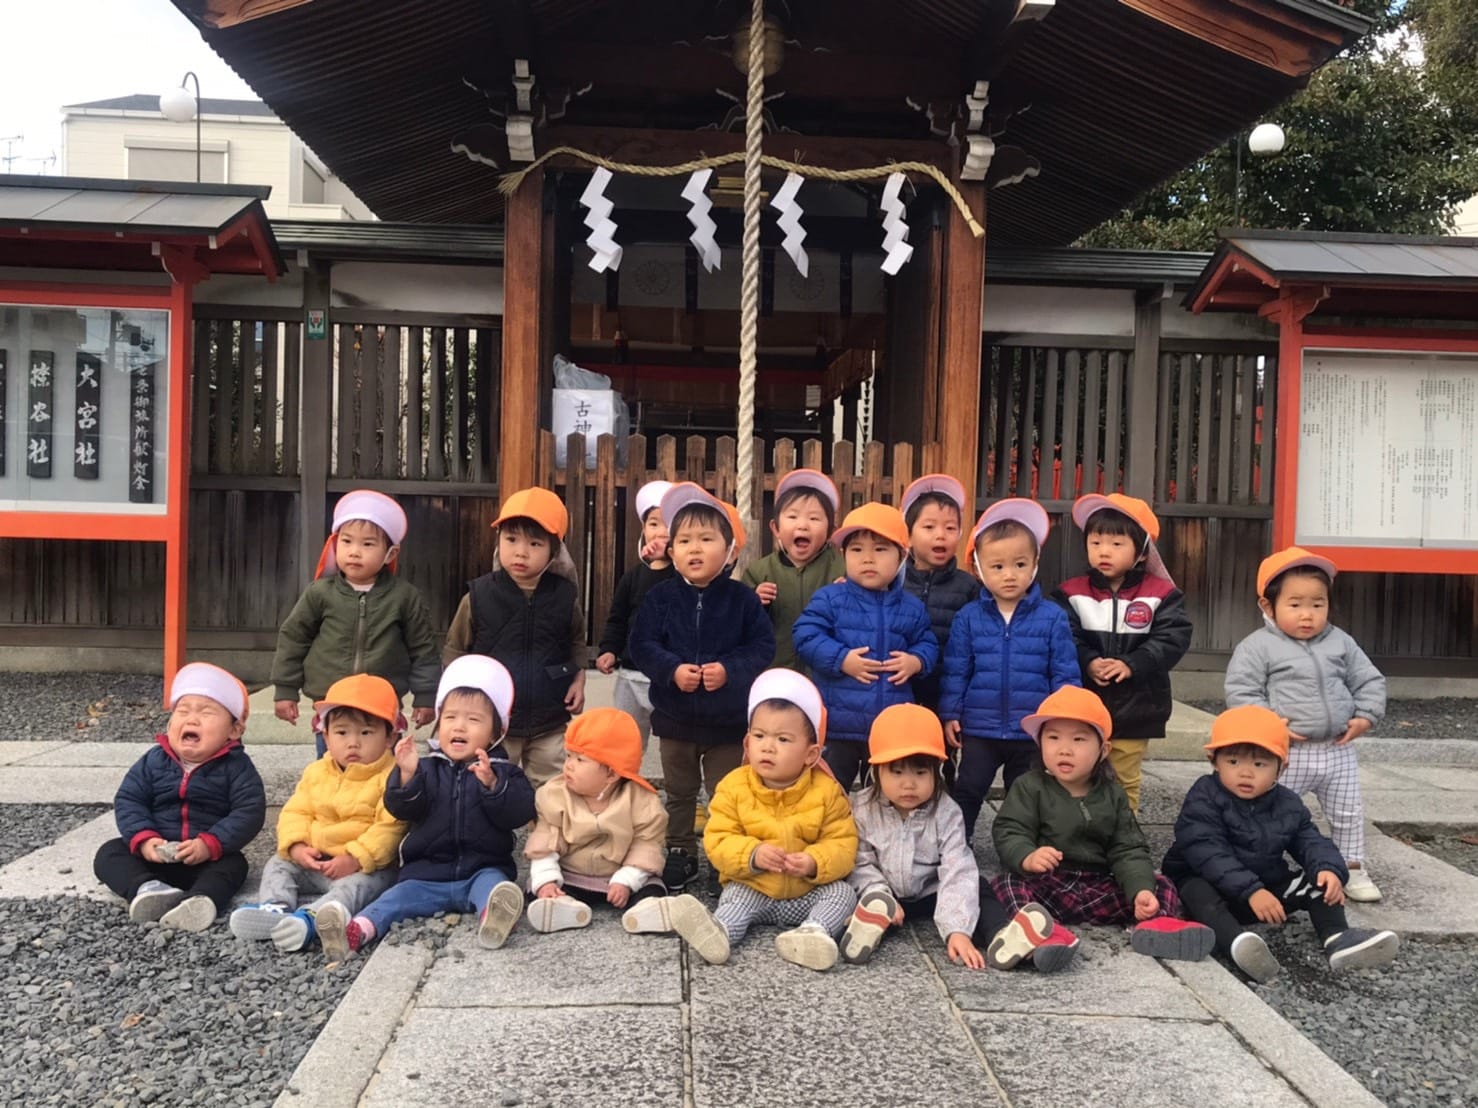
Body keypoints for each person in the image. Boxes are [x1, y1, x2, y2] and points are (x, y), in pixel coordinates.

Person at [624, 670, 859, 970]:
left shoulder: (827, 791)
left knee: (843, 893)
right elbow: (718, 839)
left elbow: (843, 842)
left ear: (811, 754)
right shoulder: (734, 787)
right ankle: (719, 933)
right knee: (734, 897)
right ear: (747, 743)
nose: (768, 746)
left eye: (783, 739)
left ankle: (812, 933)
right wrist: (753, 855)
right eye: (759, 736)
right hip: (755, 886)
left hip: (807, 891)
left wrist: (814, 861)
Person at [314, 655, 536, 959]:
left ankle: (494, 919)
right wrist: (406, 775)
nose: (460, 726)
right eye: (450, 718)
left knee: (495, 887)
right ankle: (356, 932)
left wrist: (492, 786)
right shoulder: (427, 768)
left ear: (496, 733)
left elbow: (520, 812)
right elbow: (402, 810)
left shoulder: (504, 771)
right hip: (426, 873)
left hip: (481, 867)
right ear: (439, 724)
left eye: (474, 720)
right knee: (393, 899)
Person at [1163, 705, 1399, 981]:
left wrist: (1328, 869)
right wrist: (1251, 890)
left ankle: (1337, 937)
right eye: (1233, 762)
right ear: (1214, 760)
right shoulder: (1204, 795)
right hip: (1213, 886)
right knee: (1195, 889)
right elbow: (1206, 850)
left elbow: (1309, 839)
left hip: (1265, 889)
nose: (1246, 773)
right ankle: (1237, 944)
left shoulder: (1287, 803)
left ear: (1281, 767)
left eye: (1260, 764)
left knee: (1318, 882)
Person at [840, 703, 1078, 973]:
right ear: (876, 770)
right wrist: (877, 893)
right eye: (897, 772)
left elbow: (956, 868)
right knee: (846, 890)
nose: (909, 783)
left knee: (976, 885)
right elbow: (859, 861)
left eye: (920, 773)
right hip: (884, 893)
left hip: (932, 891)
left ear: (938, 772)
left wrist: (957, 930)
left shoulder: (947, 811)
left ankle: (1002, 936)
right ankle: (868, 923)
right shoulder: (860, 808)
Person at [991, 686, 1215, 961]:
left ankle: (1155, 926)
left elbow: (1128, 848)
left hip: (1099, 887)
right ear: (1040, 743)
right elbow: (1010, 829)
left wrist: (1140, 891)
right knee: (1007, 884)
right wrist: (1027, 856)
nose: (1064, 749)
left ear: (1103, 749)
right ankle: (1044, 936)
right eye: (1053, 737)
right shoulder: (1030, 787)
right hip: (1050, 886)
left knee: (1161, 883)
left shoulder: (1112, 794)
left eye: (1078, 739)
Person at [629, 482, 776, 892]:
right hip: (675, 719)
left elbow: (762, 647)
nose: (695, 548)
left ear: (730, 550)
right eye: (685, 540)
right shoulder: (659, 599)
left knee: (726, 794)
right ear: (671, 551)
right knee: (678, 791)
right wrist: (671, 670)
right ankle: (680, 851)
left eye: (707, 539)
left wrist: (729, 670)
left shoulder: (742, 600)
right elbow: (641, 645)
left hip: (727, 722)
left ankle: (723, 856)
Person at [1225, 547, 1387, 902]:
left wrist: (1365, 715)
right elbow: (1241, 691)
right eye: (1295, 604)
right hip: (1285, 752)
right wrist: (1269, 726)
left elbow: (1369, 680)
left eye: (1318, 604)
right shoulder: (1257, 647)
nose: (1308, 615)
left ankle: (1352, 867)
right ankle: (1253, 865)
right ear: (1268, 606)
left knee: (1347, 811)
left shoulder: (1340, 642)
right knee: (1266, 810)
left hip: (1337, 747)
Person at [229, 674, 408, 952]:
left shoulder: (392, 776)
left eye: (366, 733)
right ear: (325, 736)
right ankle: (275, 906)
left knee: (362, 887)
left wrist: (355, 857)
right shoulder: (317, 771)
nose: (353, 743)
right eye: (341, 732)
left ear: (389, 738)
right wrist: (297, 846)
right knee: (278, 864)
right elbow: (296, 811)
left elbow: (390, 827)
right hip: (315, 860)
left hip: (361, 866)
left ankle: (315, 917)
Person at [939, 498, 1080, 841]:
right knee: (970, 787)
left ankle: (1021, 848)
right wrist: (950, 713)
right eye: (998, 566)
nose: (1009, 575)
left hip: (1029, 729)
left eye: (1019, 564)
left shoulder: (1052, 618)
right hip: (980, 727)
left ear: (1034, 565)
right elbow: (956, 670)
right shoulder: (969, 618)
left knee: (1026, 794)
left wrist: (1063, 717)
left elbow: (1064, 671)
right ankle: (958, 843)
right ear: (978, 567)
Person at [94, 663, 266, 932]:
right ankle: (147, 889)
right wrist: (144, 839)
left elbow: (249, 811)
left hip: (206, 857)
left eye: (207, 713)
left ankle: (199, 901)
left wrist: (210, 843)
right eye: (182, 711)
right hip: (155, 855)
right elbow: (130, 799)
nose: (192, 720)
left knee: (235, 865)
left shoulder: (237, 767)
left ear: (234, 730)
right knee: (109, 853)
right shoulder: (153, 761)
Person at [271, 489, 441, 756]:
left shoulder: (404, 597)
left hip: (381, 706)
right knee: (331, 769)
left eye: (368, 544)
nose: (354, 552)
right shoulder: (320, 593)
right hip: (332, 703)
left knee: (383, 772)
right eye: (347, 541)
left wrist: (426, 696)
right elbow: (294, 638)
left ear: (390, 552)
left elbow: (423, 650)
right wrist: (285, 689)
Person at [1052, 493, 1192, 814]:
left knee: (1124, 778)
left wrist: (1132, 664)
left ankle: (1123, 839)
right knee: (1077, 775)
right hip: (1083, 707)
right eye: (1096, 542)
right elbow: (1063, 635)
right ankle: (1077, 835)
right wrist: (1087, 661)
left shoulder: (1162, 594)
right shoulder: (1071, 593)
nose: (1104, 551)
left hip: (1136, 708)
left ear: (1142, 553)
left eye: (1117, 544)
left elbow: (1172, 637)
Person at [444, 487, 587, 788]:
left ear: (555, 549)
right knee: (487, 782)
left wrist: (578, 678)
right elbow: (456, 650)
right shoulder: (479, 596)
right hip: (493, 719)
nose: (521, 552)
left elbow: (575, 640)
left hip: (549, 716)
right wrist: (452, 703)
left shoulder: (564, 596)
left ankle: (548, 833)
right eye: (511, 540)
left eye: (535, 543)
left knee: (552, 787)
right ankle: (491, 835)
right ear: (498, 541)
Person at [793, 502, 937, 790]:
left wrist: (917, 661)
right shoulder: (830, 598)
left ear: (901, 557)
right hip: (838, 725)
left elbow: (928, 642)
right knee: (830, 789)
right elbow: (805, 635)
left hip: (890, 726)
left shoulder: (911, 607)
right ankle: (833, 834)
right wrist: (841, 659)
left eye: (880, 549)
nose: (868, 558)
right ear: (844, 555)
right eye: (857, 550)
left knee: (886, 792)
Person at [523, 707, 669, 933]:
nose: (568, 765)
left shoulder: (640, 801)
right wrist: (547, 880)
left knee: (653, 885)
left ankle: (646, 912)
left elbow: (646, 844)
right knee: (537, 887)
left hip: (619, 872)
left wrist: (627, 879)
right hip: (572, 874)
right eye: (568, 755)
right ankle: (560, 907)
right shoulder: (556, 795)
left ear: (612, 774)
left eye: (580, 760)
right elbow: (546, 840)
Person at [595, 480, 675, 749]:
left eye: (670, 524)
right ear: (644, 529)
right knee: (626, 738)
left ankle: (675, 786)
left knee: (672, 739)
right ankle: (624, 780)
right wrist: (608, 649)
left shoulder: (687, 577)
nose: (661, 532)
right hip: (630, 672)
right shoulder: (633, 577)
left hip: (669, 674)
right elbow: (617, 618)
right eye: (654, 523)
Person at [740, 468, 845, 672]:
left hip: (825, 672)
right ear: (776, 528)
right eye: (793, 516)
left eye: (814, 519)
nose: (803, 525)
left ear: (831, 531)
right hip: (774, 671)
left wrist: (850, 596)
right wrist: (755, 601)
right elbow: (741, 624)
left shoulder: (842, 569)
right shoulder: (758, 572)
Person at [899, 474, 977, 715]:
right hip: (901, 688)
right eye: (929, 527)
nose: (940, 535)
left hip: (946, 692)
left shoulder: (969, 587)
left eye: (950, 528)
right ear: (908, 536)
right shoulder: (892, 581)